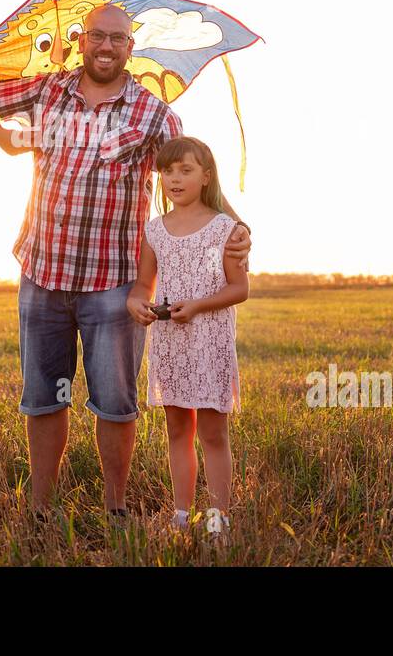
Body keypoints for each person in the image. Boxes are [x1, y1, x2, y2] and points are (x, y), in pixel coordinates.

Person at [0, 2, 254, 521]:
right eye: (97, 36)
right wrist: (6, 138)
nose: (106, 47)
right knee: (43, 398)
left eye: (117, 39)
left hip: (114, 283)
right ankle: (40, 509)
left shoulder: (155, 114)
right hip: (42, 271)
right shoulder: (47, 90)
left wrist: (235, 226)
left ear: (130, 48)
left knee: (116, 403)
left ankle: (116, 508)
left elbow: (188, 181)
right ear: (81, 40)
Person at [127, 136, 249, 535]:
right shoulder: (154, 231)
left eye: (186, 170)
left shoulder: (225, 229)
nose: (174, 179)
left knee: (213, 433)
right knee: (178, 429)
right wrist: (138, 303)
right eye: (167, 171)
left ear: (206, 176)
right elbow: (143, 285)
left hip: (209, 341)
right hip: (170, 344)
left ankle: (219, 519)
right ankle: (181, 516)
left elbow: (239, 289)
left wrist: (196, 305)